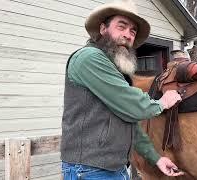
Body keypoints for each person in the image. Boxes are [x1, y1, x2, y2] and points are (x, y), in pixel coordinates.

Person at [60, 0, 183, 179]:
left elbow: (127, 120)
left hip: (112, 169)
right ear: (103, 29)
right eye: (121, 26)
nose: (128, 35)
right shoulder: (89, 58)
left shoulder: (111, 67)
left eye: (132, 31)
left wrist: (156, 158)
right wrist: (162, 103)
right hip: (88, 170)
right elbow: (131, 104)